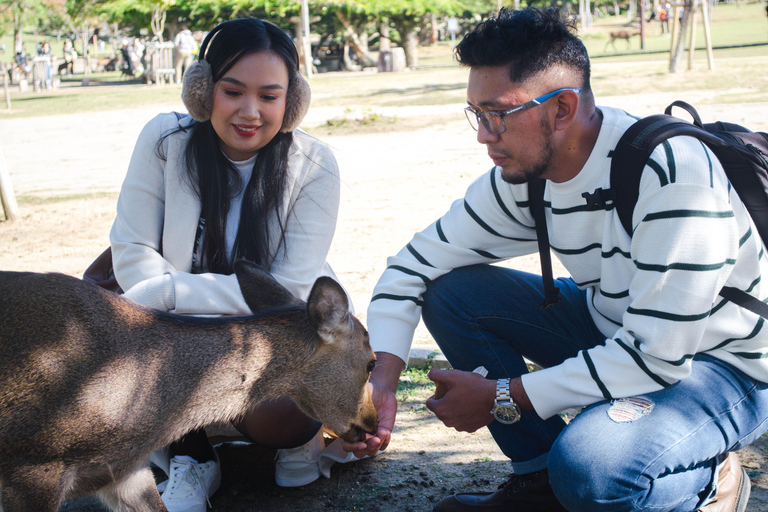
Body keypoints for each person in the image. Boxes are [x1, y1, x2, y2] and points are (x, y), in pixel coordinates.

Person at [346, 7, 768, 512]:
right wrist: (384, 380)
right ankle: (540, 481)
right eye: (475, 114)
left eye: (496, 114)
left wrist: (501, 394)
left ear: (562, 108)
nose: (483, 134)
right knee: (452, 293)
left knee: (593, 466)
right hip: (617, 328)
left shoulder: (675, 178)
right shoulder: (526, 179)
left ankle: (706, 478)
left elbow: (656, 356)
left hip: (723, 364)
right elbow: (411, 265)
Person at [111, 17, 354, 512]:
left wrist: (174, 295)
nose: (250, 112)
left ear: (293, 101)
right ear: (202, 92)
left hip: (266, 331)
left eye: (269, 95)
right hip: (169, 332)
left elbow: (290, 286)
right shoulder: (164, 141)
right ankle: (191, 454)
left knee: (283, 419)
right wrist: (176, 314)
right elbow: (132, 251)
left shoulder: (315, 164)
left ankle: (298, 442)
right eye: (232, 91)